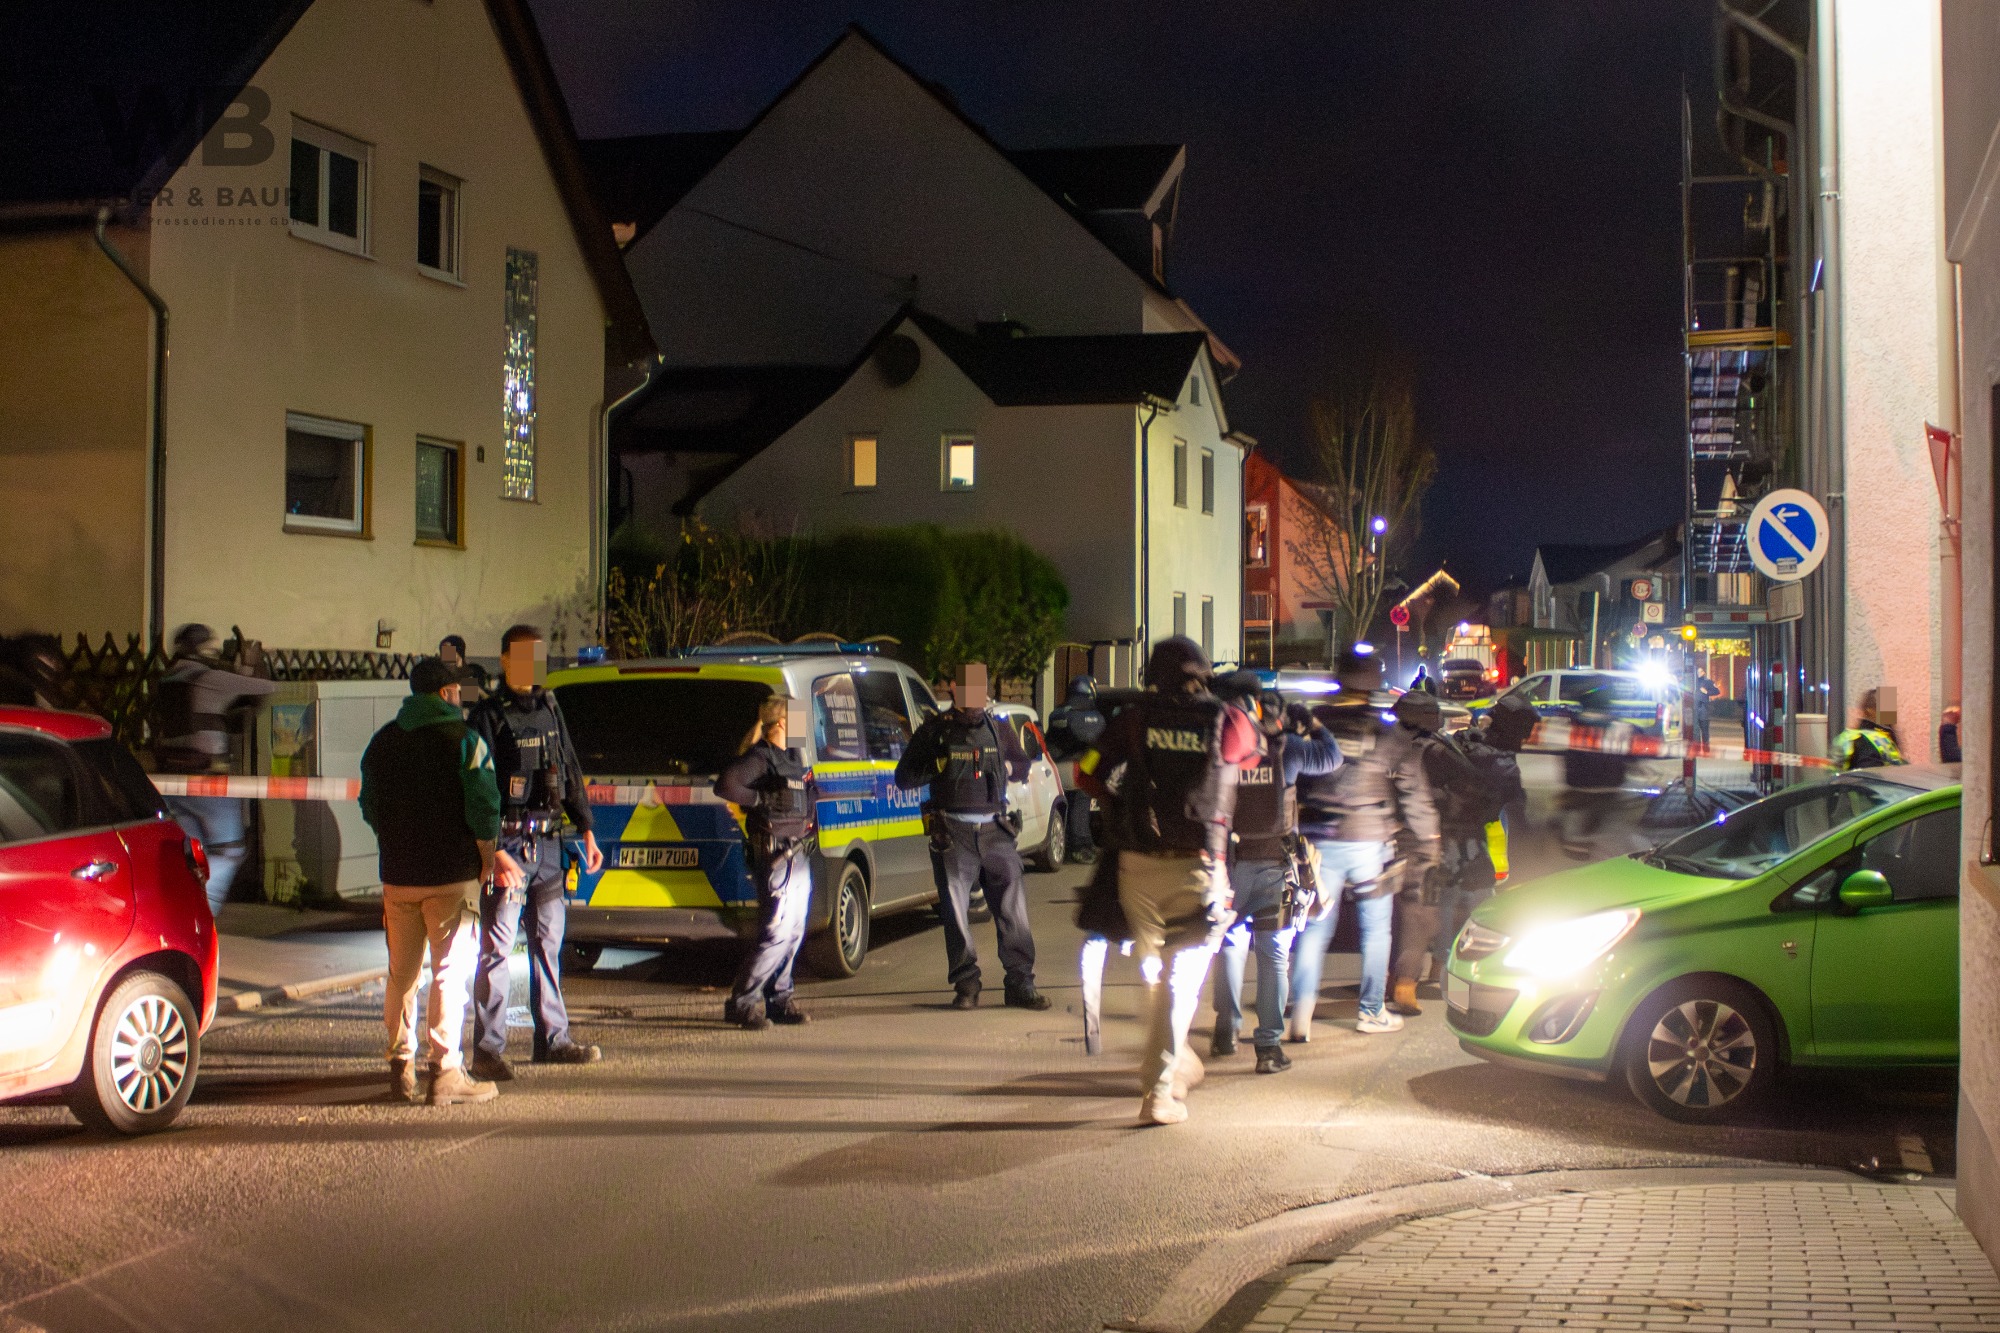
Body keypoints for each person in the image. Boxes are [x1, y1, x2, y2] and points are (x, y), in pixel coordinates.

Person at [1076, 636, 1262, 1124]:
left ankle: (1175, 1061)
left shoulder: (1132, 720)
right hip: (1198, 865)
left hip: (1136, 864)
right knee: (1181, 981)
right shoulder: (1228, 719)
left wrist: (1116, 800)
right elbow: (1251, 757)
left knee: (1153, 971)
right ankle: (1159, 1091)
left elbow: (1085, 772)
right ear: (1202, 673)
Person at [359, 658, 511, 1106]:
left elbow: (369, 803)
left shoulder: (383, 741)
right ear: (446, 693)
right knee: (448, 973)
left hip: (398, 877)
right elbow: (484, 805)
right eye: (457, 691)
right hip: (451, 876)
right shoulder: (465, 741)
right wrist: (486, 857)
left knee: (401, 974)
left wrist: (392, 839)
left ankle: (399, 1066)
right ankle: (445, 1072)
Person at [467, 625, 604, 1079]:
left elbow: (569, 768)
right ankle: (487, 1051)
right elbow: (477, 790)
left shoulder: (550, 706)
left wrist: (586, 827)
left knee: (549, 946)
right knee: (496, 951)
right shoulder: (487, 716)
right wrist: (491, 850)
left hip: (548, 845)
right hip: (508, 847)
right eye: (524, 656)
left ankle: (554, 1040)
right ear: (505, 660)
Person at [1286, 647, 1438, 1038]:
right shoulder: (1388, 732)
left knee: (1315, 927)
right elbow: (1413, 791)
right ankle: (1371, 1012)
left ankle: (1301, 1012)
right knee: (1376, 931)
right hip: (1370, 841)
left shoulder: (1314, 725)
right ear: (1375, 684)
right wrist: (1428, 838)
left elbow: (1290, 779)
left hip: (1319, 841)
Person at [895, 663, 1049, 1010]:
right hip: (953, 833)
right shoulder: (935, 730)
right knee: (955, 914)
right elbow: (903, 777)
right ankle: (967, 985)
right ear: (954, 688)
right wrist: (936, 765)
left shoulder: (997, 727)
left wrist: (1008, 767)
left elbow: (1022, 764)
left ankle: (1021, 984)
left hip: (996, 831)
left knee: (1014, 912)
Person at [1209, 677, 1340, 1073]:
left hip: (1230, 864)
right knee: (1273, 957)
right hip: (1275, 866)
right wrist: (1313, 724)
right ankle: (1268, 1048)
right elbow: (1332, 757)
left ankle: (1226, 1030)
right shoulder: (1290, 748)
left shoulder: (1225, 743)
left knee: (1230, 946)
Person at [1389, 691, 1514, 1012]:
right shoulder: (1433, 749)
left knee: (1413, 913)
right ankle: (1419, 981)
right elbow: (1472, 785)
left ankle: (1408, 978)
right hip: (1434, 838)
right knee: (1430, 912)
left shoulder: (1393, 746)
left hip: (1400, 837)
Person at [155, 623, 278, 916]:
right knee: (228, 850)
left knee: (192, 856)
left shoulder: (167, 680)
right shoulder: (210, 679)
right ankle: (204, 914)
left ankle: (182, 912)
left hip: (172, 783)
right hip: (208, 781)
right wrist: (248, 664)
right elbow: (264, 689)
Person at [716, 696, 816, 1029]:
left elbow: (805, 791)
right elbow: (726, 785)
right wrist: (761, 798)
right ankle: (742, 1003)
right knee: (777, 931)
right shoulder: (761, 757)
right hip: (776, 855)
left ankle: (779, 1000)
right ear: (782, 722)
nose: (803, 723)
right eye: (797, 717)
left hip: (797, 853)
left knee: (794, 931)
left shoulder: (794, 757)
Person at [1556, 686, 1635, 859]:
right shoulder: (1619, 726)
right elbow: (1632, 757)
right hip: (1609, 787)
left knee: (1577, 824)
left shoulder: (1574, 726)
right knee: (1611, 827)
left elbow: (1565, 756)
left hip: (1581, 787)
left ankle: (1578, 851)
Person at [1043, 674, 1106, 864]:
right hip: (1075, 768)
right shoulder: (1089, 715)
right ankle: (1081, 846)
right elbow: (1094, 738)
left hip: (1054, 767)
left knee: (1066, 806)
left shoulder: (1058, 713)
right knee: (1081, 803)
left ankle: (1067, 843)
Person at [1832, 688, 1906, 770]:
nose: (1891, 712)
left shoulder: (1887, 734)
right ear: (1870, 710)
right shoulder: (1865, 740)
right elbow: (1869, 773)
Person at [438, 634, 488, 704]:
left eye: (447, 651)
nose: (443, 656)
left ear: (459, 653)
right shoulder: (440, 674)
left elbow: (470, 701)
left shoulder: (472, 673)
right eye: (442, 652)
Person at [1694, 672, 1722, 745]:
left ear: (1704, 673)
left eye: (1701, 671)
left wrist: (1707, 692)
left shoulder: (1707, 682)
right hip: (1693, 709)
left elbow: (1717, 691)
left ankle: (1706, 746)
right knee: (1695, 730)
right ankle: (1696, 746)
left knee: (1704, 729)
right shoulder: (1692, 681)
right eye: (1698, 672)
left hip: (1703, 708)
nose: (1699, 673)